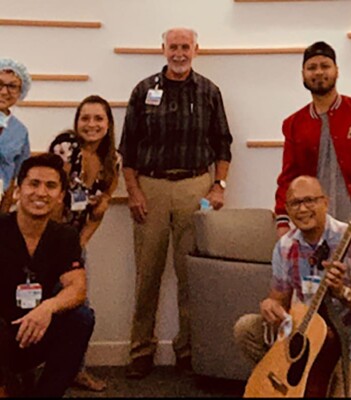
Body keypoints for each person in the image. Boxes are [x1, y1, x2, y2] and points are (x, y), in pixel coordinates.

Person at [274, 41, 351, 398]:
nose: (318, 72)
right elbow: (287, 178)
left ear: (336, 70)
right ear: (303, 74)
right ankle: (325, 374)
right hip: (316, 232)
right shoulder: (295, 124)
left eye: (324, 66)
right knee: (320, 303)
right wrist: (283, 220)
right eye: (311, 67)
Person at [119, 27, 233, 378]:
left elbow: (223, 144)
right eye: (173, 47)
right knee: (147, 273)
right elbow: (128, 148)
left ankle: (189, 350)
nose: (179, 53)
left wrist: (218, 187)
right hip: (150, 187)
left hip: (194, 187)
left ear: (196, 49)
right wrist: (133, 191)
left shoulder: (209, 91)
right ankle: (140, 350)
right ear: (163, 49)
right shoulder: (143, 90)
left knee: (190, 274)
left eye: (185, 47)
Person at [235, 175, 351, 397]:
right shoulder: (285, 246)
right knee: (246, 328)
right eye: (295, 203)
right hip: (307, 338)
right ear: (287, 209)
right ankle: (290, 379)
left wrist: (344, 292)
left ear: (325, 202)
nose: (303, 209)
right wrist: (270, 306)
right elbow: (278, 300)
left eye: (310, 200)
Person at [0, 153, 95, 397]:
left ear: (61, 196)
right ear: (18, 190)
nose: (41, 193)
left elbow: (77, 287)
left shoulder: (65, 236)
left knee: (82, 318)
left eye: (51, 186)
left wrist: (48, 308)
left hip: (37, 328)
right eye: (34, 184)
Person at [49, 95, 119, 391]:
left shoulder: (112, 160)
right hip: (45, 236)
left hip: (75, 241)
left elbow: (99, 210)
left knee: (79, 308)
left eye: (98, 119)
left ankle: (75, 369)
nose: (91, 125)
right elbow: (50, 195)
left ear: (108, 124)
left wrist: (78, 246)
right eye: (85, 118)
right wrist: (54, 245)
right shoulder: (66, 146)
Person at [0, 58, 31, 212]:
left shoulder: (20, 132)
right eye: (0, 84)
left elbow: (13, 178)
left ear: (20, 92)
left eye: (12, 86)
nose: (4, 91)